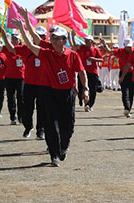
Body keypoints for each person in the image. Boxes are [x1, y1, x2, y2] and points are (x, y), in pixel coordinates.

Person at [18, 23, 88, 167]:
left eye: (58, 39)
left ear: (64, 40)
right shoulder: (46, 53)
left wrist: (85, 89)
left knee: (68, 125)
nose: (55, 42)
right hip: (48, 92)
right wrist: (22, 28)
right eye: (53, 39)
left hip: (67, 92)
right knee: (51, 124)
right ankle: (54, 154)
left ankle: (63, 146)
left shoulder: (72, 55)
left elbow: (81, 71)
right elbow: (31, 45)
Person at [0, 27, 25, 125]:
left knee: (21, 97)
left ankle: (21, 116)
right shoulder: (7, 49)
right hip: (9, 77)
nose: (14, 40)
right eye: (13, 39)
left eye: (16, 39)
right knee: (10, 97)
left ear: (19, 41)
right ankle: (12, 116)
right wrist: (3, 35)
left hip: (21, 77)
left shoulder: (23, 49)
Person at [105, 38, 134, 117]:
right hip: (123, 74)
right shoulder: (120, 51)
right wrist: (105, 44)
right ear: (124, 46)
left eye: (129, 47)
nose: (128, 48)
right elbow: (109, 52)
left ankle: (129, 109)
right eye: (127, 47)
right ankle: (126, 107)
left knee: (131, 92)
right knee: (124, 92)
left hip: (133, 74)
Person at [75, 35, 104, 112]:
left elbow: (101, 60)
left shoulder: (95, 50)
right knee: (81, 88)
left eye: (88, 40)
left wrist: (93, 59)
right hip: (83, 72)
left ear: (91, 41)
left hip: (93, 73)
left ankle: (89, 105)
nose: (86, 42)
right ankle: (81, 98)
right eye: (85, 40)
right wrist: (71, 36)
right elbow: (74, 46)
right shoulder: (82, 48)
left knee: (92, 90)